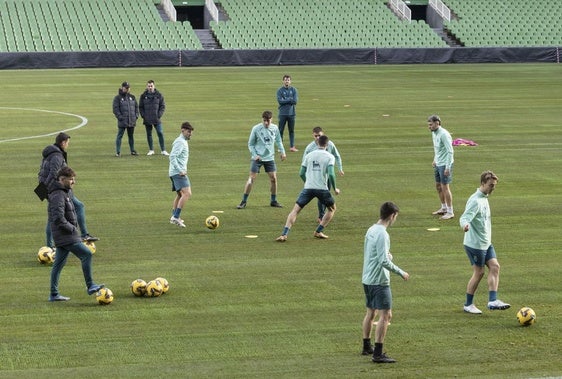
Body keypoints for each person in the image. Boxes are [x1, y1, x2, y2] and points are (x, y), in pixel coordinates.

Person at [361, 201, 409, 363]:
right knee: (386, 315)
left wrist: (387, 254)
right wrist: (401, 272)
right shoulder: (383, 233)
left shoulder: (371, 229)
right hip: (379, 280)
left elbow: (373, 252)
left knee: (371, 313)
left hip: (367, 278)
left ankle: (366, 346)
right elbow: (383, 261)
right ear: (392, 215)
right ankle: (378, 353)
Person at [48, 166, 104, 302]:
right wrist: (72, 229)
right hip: (66, 234)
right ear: (62, 180)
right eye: (71, 180)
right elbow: (58, 218)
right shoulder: (58, 195)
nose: (74, 182)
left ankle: (54, 294)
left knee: (58, 264)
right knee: (86, 254)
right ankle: (90, 285)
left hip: (64, 234)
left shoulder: (64, 192)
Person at [460, 171, 510, 314]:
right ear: (482, 183)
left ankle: (493, 301)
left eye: (494, 186)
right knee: (479, 272)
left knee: (495, 267)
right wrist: (465, 225)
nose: (493, 188)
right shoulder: (475, 200)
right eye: (490, 185)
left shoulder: (484, 197)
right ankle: (468, 304)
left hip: (486, 242)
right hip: (475, 244)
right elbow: (464, 217)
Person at [37, 132, 98, 248]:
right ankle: (52, 246)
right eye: (67, 143)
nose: (68, 145)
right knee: (56, 215)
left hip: (55, 188)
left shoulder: (51, 152)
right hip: (57, 189)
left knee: (73, 208)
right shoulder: (57, 156)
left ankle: (52, 245)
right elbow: (53, 173)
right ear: (63, 142)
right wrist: (46, 190)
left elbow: (42, 171)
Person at [276, 135, 340, 241]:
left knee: (295, 211)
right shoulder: (329, 156)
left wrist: (308, 182)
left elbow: (301, 173)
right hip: (322, 189)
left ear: (317, 143)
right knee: (332, 209)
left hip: (308, 188)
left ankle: (284, 234)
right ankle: (318, 231)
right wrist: (335, 188)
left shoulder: (309, 155)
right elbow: (331, 174)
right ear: (327, 145)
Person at [237, 110, 286, 209]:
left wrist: (282, 152)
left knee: (273, 179)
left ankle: (273, 201)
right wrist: (255, 155)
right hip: (257, 158)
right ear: (262, 120)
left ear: (271, 119)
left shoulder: (275, 128)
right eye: (264, 121)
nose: (266, 123)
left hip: (270, 158)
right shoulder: (256, 129)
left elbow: (278, 141)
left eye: (268, 121)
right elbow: (250, 144)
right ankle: (243, 201)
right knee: (251, 179)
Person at [303, 126, 344, 222]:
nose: (317, 138)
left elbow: (337, 156)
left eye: (319, 135)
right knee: (321, 194)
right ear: (313, 135)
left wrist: (340, 168)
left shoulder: (330, 144)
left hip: (328, 174)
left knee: (325, 194)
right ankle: (321, 215)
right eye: (315, 136)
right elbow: (304, 161)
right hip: (317, 175)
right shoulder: (310, 147)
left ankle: (323, 214)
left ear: (323, 134)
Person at [427, 115, 455, 220]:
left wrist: (447, 167)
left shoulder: (444, 134)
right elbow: (437, 148)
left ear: (437, 123)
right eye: (428, 125)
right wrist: (435, 159)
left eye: (431, 125)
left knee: (445, 187)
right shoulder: (434, 133)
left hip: (445, 164)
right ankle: (443, 208)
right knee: (438, 186)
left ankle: (450, 211)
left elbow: (450, 151)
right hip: (438, 163)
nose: (429, 127)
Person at [169, 122, 194, 228]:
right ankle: (176, 217)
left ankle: (174, 216)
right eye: (188, 132)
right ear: (182, 130)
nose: (190, 134)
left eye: (191, 132)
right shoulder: (180, 142)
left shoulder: (182, 141)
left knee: (180, 194)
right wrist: (180, 170)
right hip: (178, 173)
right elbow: (172, 156)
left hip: (174, 172)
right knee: (187, 194)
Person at [139, 79, 168, 156]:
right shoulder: (143, 96)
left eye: (151, 86)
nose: (150, 87)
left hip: (156, 118)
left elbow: (162, 106)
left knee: (160, 132)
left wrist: (159, 115)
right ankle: (151, 150)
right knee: (149, 134)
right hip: (147, 118)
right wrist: (143, 115)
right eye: (149, 86)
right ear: (147, 86)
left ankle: (163, 150)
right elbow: (140, 107)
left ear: (154, 86)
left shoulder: (159, 95)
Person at [113, 81, 139, 157]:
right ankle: (118, 152)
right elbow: (115, 109)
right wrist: (120, 117)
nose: (127, 89)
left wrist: (136, 116)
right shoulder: (117, 98)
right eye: (125, 88)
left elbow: (136, 107)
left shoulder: (132, 97)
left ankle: (132, 150)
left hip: (131, 120)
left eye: (128, 88)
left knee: (131, 136)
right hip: (123, 121)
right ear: (122, 88)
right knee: (120, 135)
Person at [277, 74, 298, 152]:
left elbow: (295, 101)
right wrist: (290, 100)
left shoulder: (294, 90)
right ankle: (280, 147)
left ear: (290, 81)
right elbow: (280, 101)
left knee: (291, 130)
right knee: (280, 130)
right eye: (285, 80)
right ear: (283, 81)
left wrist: (285, 100)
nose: (287, 81)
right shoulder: (280, 90)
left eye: (288, 80)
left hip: (291, 113)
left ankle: (292, 146)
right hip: (282, 113)